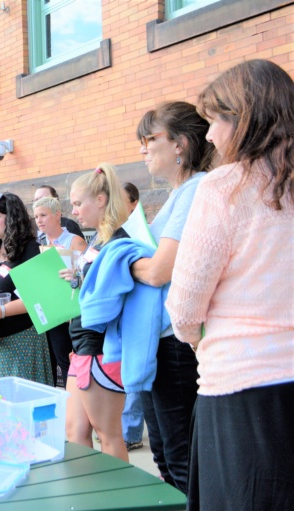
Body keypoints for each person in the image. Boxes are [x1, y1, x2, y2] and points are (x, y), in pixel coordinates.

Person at [166, 60, 294, 510]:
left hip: (240, 390)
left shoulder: (224, 186)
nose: (212, 136)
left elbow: (183, 307)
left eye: (218, 120)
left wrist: (194, 340)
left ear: (248, 118)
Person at [129, 101, 215, 493]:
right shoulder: (176, 193)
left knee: (181, 458)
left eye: (150, 139)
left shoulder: (196, 188)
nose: (143, 149)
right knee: (163, 452)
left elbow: (160, 269)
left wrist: (122, 264)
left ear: (180, 143)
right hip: (157, 340)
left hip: (175, 345)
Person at [58, 163, 130, 462]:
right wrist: (76, 278)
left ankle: (120, 505)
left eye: (77, 203)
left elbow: (113, 292)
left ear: (100, 201)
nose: (74, 211)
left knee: (108, 433)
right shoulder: (100, 239)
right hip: (83, 348)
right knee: (75, 430)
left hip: (100, 349)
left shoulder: (117, 240)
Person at [0, 192, 53, 385]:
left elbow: (39, 297)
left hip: (21, 339)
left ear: (11, 218)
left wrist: (2, 311)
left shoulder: (29, 249)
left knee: (20, 401)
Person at [32, 196, 87, 388]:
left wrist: (75, 275)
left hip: (71, 309)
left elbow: (87, 273)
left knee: (67, 360)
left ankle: (74, 402)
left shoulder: (74, 240)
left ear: (57, 215)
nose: (39, 220)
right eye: (36, 216)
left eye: (43, 215)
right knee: (52, 358)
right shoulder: (38, 242)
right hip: (49, 308)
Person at [119, 182, 145, 452]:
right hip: (122, 317)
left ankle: (131, 432)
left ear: (133, 204)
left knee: (136, 375)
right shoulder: (114, 231)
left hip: (138, 313)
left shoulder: (139, 232)